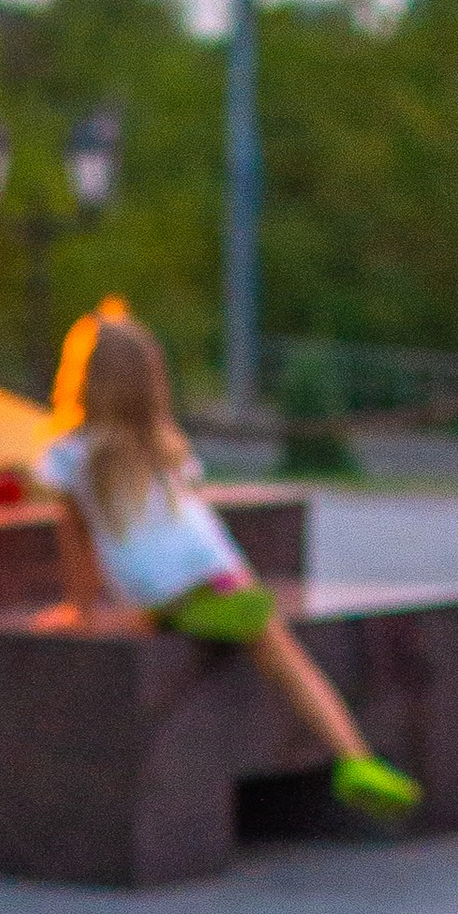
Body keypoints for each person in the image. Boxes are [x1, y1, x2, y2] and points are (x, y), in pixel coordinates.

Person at [37, 311, 421, 820]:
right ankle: (355, 756)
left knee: (197, 628)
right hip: (220, 574)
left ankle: (350, 759)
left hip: (164, 592)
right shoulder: (165, 447)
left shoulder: (70, 458)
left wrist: (81, 610)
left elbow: (77, 549)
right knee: (289, 662)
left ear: (81, 379)